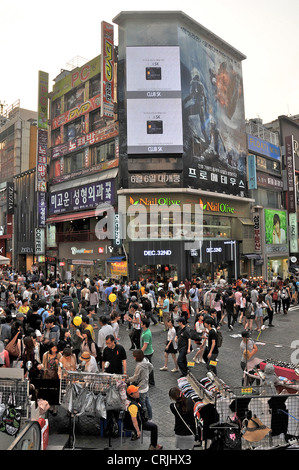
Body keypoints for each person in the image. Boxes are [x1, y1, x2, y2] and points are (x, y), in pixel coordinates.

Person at [123, 385, 163, 450]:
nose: (138, 392)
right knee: (154, 427)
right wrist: (138, 430)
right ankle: (153, 446)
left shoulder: (133, 399)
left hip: (136, 420)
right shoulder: (133, 406)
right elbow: (134, 420)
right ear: (131, 394)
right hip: (134, 424)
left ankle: (135, 435)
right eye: (136, 392)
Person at [127, 349, 153, 420]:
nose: (133, 358)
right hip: (146, 385)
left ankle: (144, 418)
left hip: (141, 388)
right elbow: (151, 367)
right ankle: (150, 417)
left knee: (142, 404)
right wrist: (146, 375)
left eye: (134, 356)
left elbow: (135, 377)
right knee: (147, 401)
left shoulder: (139, 366)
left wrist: (127, 379)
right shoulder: (145, 360)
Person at [169, 386, 197, 450]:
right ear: (181, 393)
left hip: (180, 431)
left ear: (173, 398)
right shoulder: (190, 401)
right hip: (190, 430)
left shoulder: (173, 407)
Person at [140, 318, 155, 386]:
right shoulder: (145, 331)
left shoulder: (146, 334)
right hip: (146, 352)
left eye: (141, 323)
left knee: (149, 368)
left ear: (144, 325)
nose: (140, 324)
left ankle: (151, 381)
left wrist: (140, 353)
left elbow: (145, 345)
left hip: (147, 353)